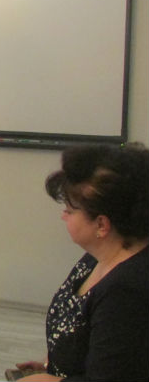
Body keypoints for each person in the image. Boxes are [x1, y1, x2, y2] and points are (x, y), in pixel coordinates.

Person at [15, 143, 148, 382]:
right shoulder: (94, 258)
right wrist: (53, 364)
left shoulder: (126, 290)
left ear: (101, 225)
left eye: (69, 210)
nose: (63, 216)